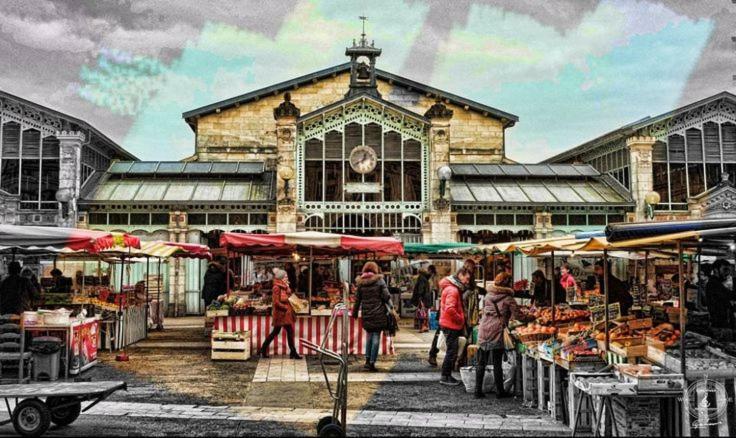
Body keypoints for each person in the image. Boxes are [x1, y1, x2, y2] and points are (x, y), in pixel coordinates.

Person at [476, 272, 519, 399]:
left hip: (484, 329)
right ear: (506, 282)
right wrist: (533, 317)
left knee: (481, 361)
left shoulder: (488, 295)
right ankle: (500, 391)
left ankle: (477, 391)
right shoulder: (508, 299)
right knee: (497, 362)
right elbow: (518, 315)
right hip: (496, 331)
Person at [352, 262, 392, 371]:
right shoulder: (379, 281)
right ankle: (372, 362)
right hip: (379, 314)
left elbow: (357, 300)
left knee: (369, 337)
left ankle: (367, 360)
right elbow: (386, 296)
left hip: (367, 314)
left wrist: (354, 312)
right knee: (376, 338)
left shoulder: (361, 282)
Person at [438, 268, 471, 386]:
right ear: (460, 275)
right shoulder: (453, 290)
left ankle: (447, 375)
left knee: (452, 350)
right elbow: (450, 308)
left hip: (449, 323)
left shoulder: (452, 288)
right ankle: (445, 376)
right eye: (467, 278)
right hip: (451, 325)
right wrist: (460, 319)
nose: (467, 281)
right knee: (451, 351)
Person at [260, 268, 301, 359]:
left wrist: (287, 287)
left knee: (288, 332)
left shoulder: (285, 286)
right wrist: (285, 307)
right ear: (281, 277)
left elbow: (289, 296)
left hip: (286, 315)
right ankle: (263, 349)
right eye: (285, 276)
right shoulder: (276, 287)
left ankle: (293, 352)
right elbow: (275, 302)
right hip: (280, 314)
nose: (287, 278)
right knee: (276, 332)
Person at [706, 259, 733, 328]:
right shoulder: (713, 284)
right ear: (716, 270)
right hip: (719, 324)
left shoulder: (717, 283)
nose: (727, 273)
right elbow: (729, 295)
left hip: (722, 321)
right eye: (725, 270)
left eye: (728, 270)